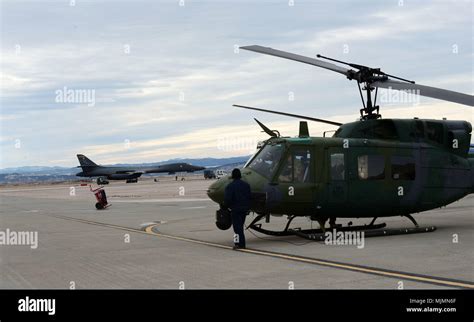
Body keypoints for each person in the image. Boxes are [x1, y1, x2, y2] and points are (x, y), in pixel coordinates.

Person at [224, 168, 251, 249]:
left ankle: (240, 244)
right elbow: (249, 197)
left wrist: (226, 207)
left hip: (236, 209)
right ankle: (238, 243)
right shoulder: (246, 185)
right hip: (244, 209)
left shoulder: (230, 186)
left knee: (237, 228)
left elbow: (228, 199)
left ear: (232, 176)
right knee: (240, 226)